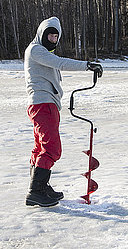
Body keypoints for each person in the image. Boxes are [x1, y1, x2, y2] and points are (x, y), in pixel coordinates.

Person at [24, 16, 103, 207]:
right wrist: (87, 65)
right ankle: (36, 191)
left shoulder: (39, 51)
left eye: (55, 37)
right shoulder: (36, 50)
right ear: (41, 34)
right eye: (49, 35)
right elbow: (60, 63)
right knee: (52, 149)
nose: (52, 39)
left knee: (41, 148)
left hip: (43, 104)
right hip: (43, 104)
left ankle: (40, 187)